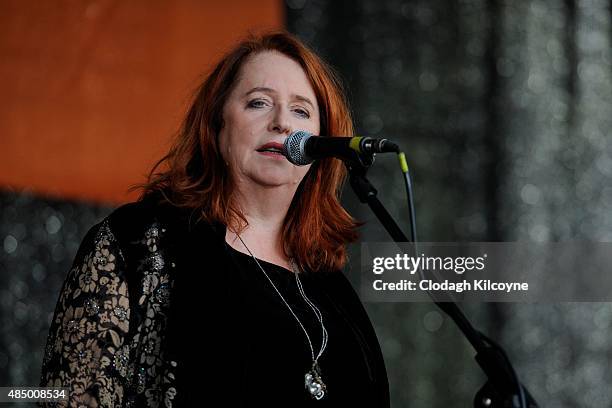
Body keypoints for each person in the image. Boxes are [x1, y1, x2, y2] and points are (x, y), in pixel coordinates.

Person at [39, 31, 389, 407]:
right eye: (258, 103)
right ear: (217, 126)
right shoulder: (139, 243)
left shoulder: (329, 286)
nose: (282, 123)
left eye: (301, 111)